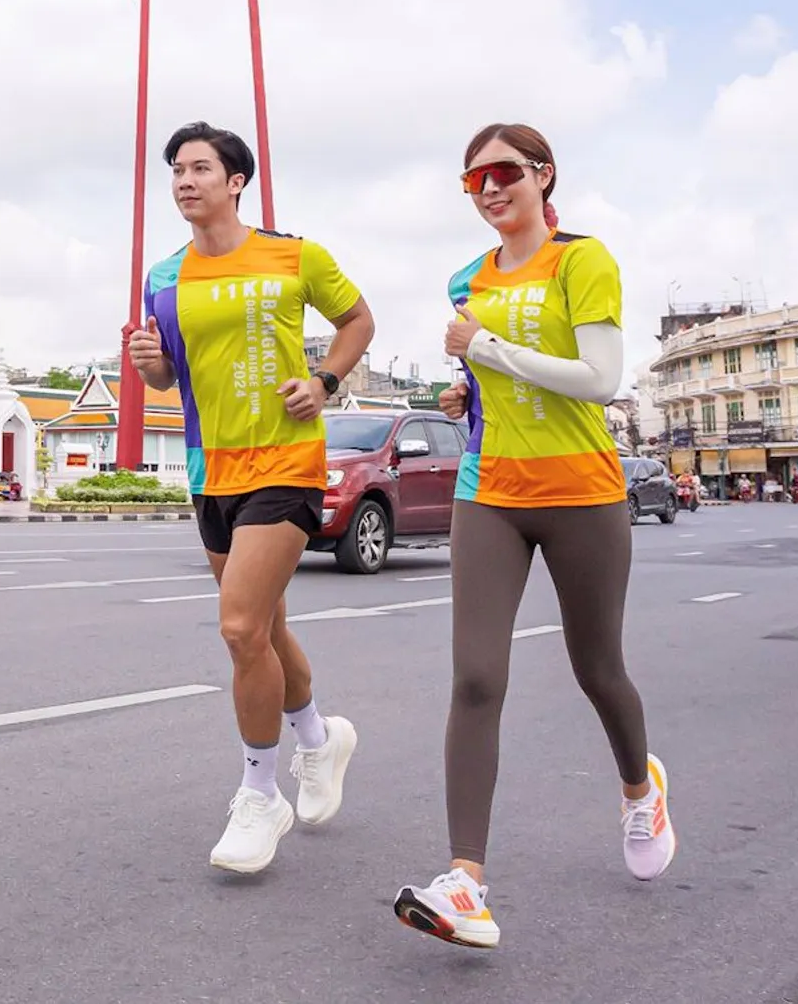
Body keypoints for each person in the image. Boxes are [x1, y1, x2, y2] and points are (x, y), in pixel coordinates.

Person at [393, 123, 676, 950]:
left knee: (598, 669)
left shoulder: (582, 260)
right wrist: (465, 393)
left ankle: (638, 787)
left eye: (505, 173)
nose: (488, 189)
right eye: (473, 179)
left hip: (583, 491)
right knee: (477, 677)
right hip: (490, 493)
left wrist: (486, 348)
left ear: (543, 176)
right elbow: (493, 381)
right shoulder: (466, 279)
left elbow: (599, 380)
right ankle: (465, 881)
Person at [127, 120, 375, 875]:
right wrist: (150, 364)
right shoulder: (164, 277)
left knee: (237, 627)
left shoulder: (295, 255)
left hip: (286, 465)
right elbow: (172, 378)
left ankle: (259, 792)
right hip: (212, 473)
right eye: (175, 170)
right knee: (263, 630)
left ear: (236, 180)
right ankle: (317, 738)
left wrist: (326, 381)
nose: (184, 180)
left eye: (200, 167)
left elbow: (358, 320)